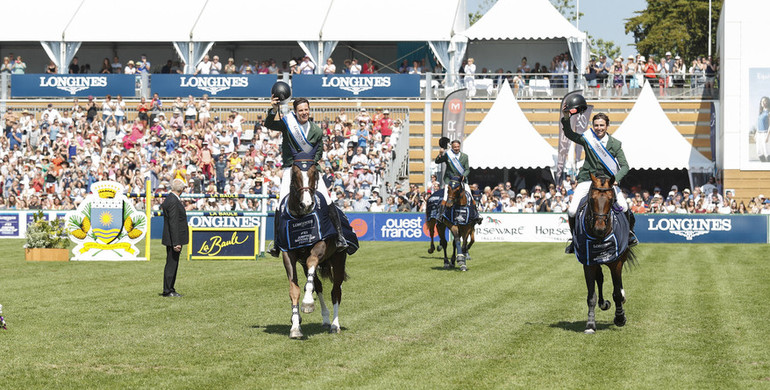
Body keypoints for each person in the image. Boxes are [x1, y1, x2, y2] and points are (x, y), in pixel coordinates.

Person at [264, 94, 348, 256]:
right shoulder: (288, 124)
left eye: (306, 109)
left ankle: (339, 237)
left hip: (310, 170)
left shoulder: (316, 130)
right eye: (301, 110)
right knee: (280, 203)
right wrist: (274, 109)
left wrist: (309, 165)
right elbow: (269, 124)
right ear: (295, 112)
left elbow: (319, 152)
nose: (304, 112)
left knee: (328, 199)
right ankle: (276, 244)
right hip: (291, 169)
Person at [561, 106, 634, 253]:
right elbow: (569, 134)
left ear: (607, 126)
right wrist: (566, 117)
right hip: (588, 179)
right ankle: (574, 240)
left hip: (608, 182)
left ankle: (629, 235)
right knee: (573, 210)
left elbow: (625, 166)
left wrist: (616, 179)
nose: (599, 128)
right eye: (596, 125)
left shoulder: (615, 144)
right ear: (593, 126)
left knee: (625, 207)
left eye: (602, 125)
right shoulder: (588, 140)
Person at [434, 139, 482, 225]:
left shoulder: (465, 156)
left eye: (458, 147)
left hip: (461, 180)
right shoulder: (448, 155)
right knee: (445, 197)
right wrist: (441, 154)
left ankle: (477, 214)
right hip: (450, 181)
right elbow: (437, 161)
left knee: (470, 196)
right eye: (455, 147)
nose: (456, 148)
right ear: (452, 147)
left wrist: (464, 175)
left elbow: (467, 169)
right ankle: (440, 215)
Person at [161, 179, 189, 297]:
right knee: (172, 264)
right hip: (174, 239)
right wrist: (176, 242)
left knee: (171, 263)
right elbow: (173, 223)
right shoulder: (173, 201)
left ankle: (169, 289)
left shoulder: (169, 199)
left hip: (171, 237)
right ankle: (168, 290)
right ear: (181, 189)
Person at [756, 96, 770, 162]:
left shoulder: (768, 113)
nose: (763, 102)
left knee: (767, 152)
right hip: (759, 134)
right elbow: (758, 125)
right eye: (762, 101)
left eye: (764, 101)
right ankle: (764, 166)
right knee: (759, 152)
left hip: (765, 133)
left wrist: (767, 136)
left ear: (767, 102)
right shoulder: (761, 113)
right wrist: (756, 134)